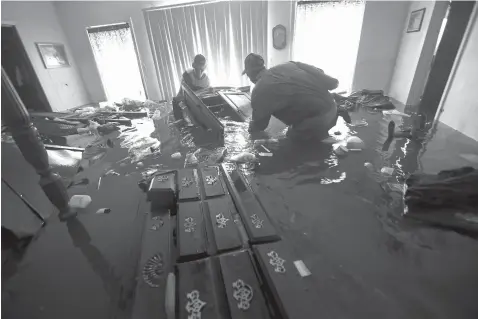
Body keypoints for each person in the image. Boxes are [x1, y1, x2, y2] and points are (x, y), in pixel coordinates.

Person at [242, 53, 341, 141]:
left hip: (316, 121)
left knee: (291, 141)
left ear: (249, 75)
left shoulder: (259, 90)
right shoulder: (291, 64)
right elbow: (333, 84)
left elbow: (259, 126)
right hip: (333, 107)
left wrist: (248, 130)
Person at [172, 54, 211, 120]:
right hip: (182, 102)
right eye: (198, 67)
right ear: (194, 65)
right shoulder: (187, 74)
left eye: (201, 68)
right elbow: (189, 89)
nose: (199, 70)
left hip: (196, 105)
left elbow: (205, 96)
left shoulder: (206, 80)